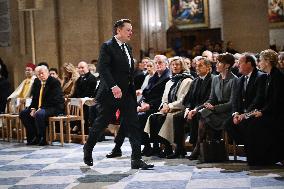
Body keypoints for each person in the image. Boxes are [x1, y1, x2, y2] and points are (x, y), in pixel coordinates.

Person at [83, 19, 154, 169]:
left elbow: (128, 72)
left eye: (131, 29)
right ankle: (88, 148)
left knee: (133, 125)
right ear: (118, 31)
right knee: (101, 123)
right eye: (128, 30)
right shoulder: (107, 46)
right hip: (111, 93)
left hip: (127, 94)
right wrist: (113, 86)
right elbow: (103, 68)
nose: (131, 32)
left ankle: (136, 159)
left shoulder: (128, 47)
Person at [105, 55, 170, 158]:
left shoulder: (168, 77)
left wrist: (149, 105)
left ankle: (145, 146)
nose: (157, 65)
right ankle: (118, 147)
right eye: (156, 63)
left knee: (138, 117)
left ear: (166, 64)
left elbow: (165, 97)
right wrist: (142, 103)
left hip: (159, 107)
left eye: (160, 63)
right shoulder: (154, 77)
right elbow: (146, 93)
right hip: (147, 105)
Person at [188, 53, 237, 160]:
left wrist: (214, 108)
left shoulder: (235, 80)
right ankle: (202, 147)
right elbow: (211, 99)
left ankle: (199, 147)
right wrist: (197, 109)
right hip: (215, 111)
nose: (216, 64)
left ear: (227, 65)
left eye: (219, 62)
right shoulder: (216, 79)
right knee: (202, 114)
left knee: (204, 117)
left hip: (227, 113)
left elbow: (232, 103)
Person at [144, 56, 193, 158]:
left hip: (180, 108)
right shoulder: (170, 81)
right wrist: (164, 105)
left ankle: (178, 148)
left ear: (182, 66)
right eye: (173, 65)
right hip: (168, 108)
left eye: (177, 64)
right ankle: (166, 147)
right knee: (154, 117)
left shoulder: (187, 80)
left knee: (169, 118)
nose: (175, 66)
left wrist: (169, 106)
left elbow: (183, 99)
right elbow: (164, 98)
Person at [244, 49, 284, 165]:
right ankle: (258, 158)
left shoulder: (277, 76)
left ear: (267, 61)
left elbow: (276, 100)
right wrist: (259, 110)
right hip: (270, 112)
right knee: (250, 121)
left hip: (277, 114)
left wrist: (262, 112)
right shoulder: (269, 76)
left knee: (254, 124)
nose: (258, 63)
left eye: (260, 60)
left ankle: (262, 159)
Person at [169, 57, 212, 159]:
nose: (197, 68)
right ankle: (179, 149)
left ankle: (195, 147)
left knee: (195, 116)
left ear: (208, 68)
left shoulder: (212, 80)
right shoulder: (195, 81)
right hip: (192, 109)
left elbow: (210, 99)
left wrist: (195, 109)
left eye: (200, 66)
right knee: (178, 117)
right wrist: (188, 108)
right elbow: (188, 99)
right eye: (196, 66)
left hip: (204, 109)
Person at [224, 54, 267, 148]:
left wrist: (245, 114)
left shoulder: (261, 77)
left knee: (248, 124)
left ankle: (251, 147)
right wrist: (235, 113)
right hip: (241, 114)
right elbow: (235, 100)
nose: (237, 65)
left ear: (249, 63)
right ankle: (246, 145)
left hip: (254, 112)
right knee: (228, 124)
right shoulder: (239, 80)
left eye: (240, 63)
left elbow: (258, 99)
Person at [19, 65, 64, 145]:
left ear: (47, 72)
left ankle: (42, 137)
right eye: (38, 74)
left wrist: (41, 108)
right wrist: (33, 108)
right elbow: (35, 98)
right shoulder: (37, 82)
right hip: (41, 107)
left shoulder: (54, 82)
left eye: (42, 73)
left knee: (39, 114)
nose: (41, 76)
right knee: (24, 113)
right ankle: (33, 136)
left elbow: (54, 99)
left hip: (54, 107)